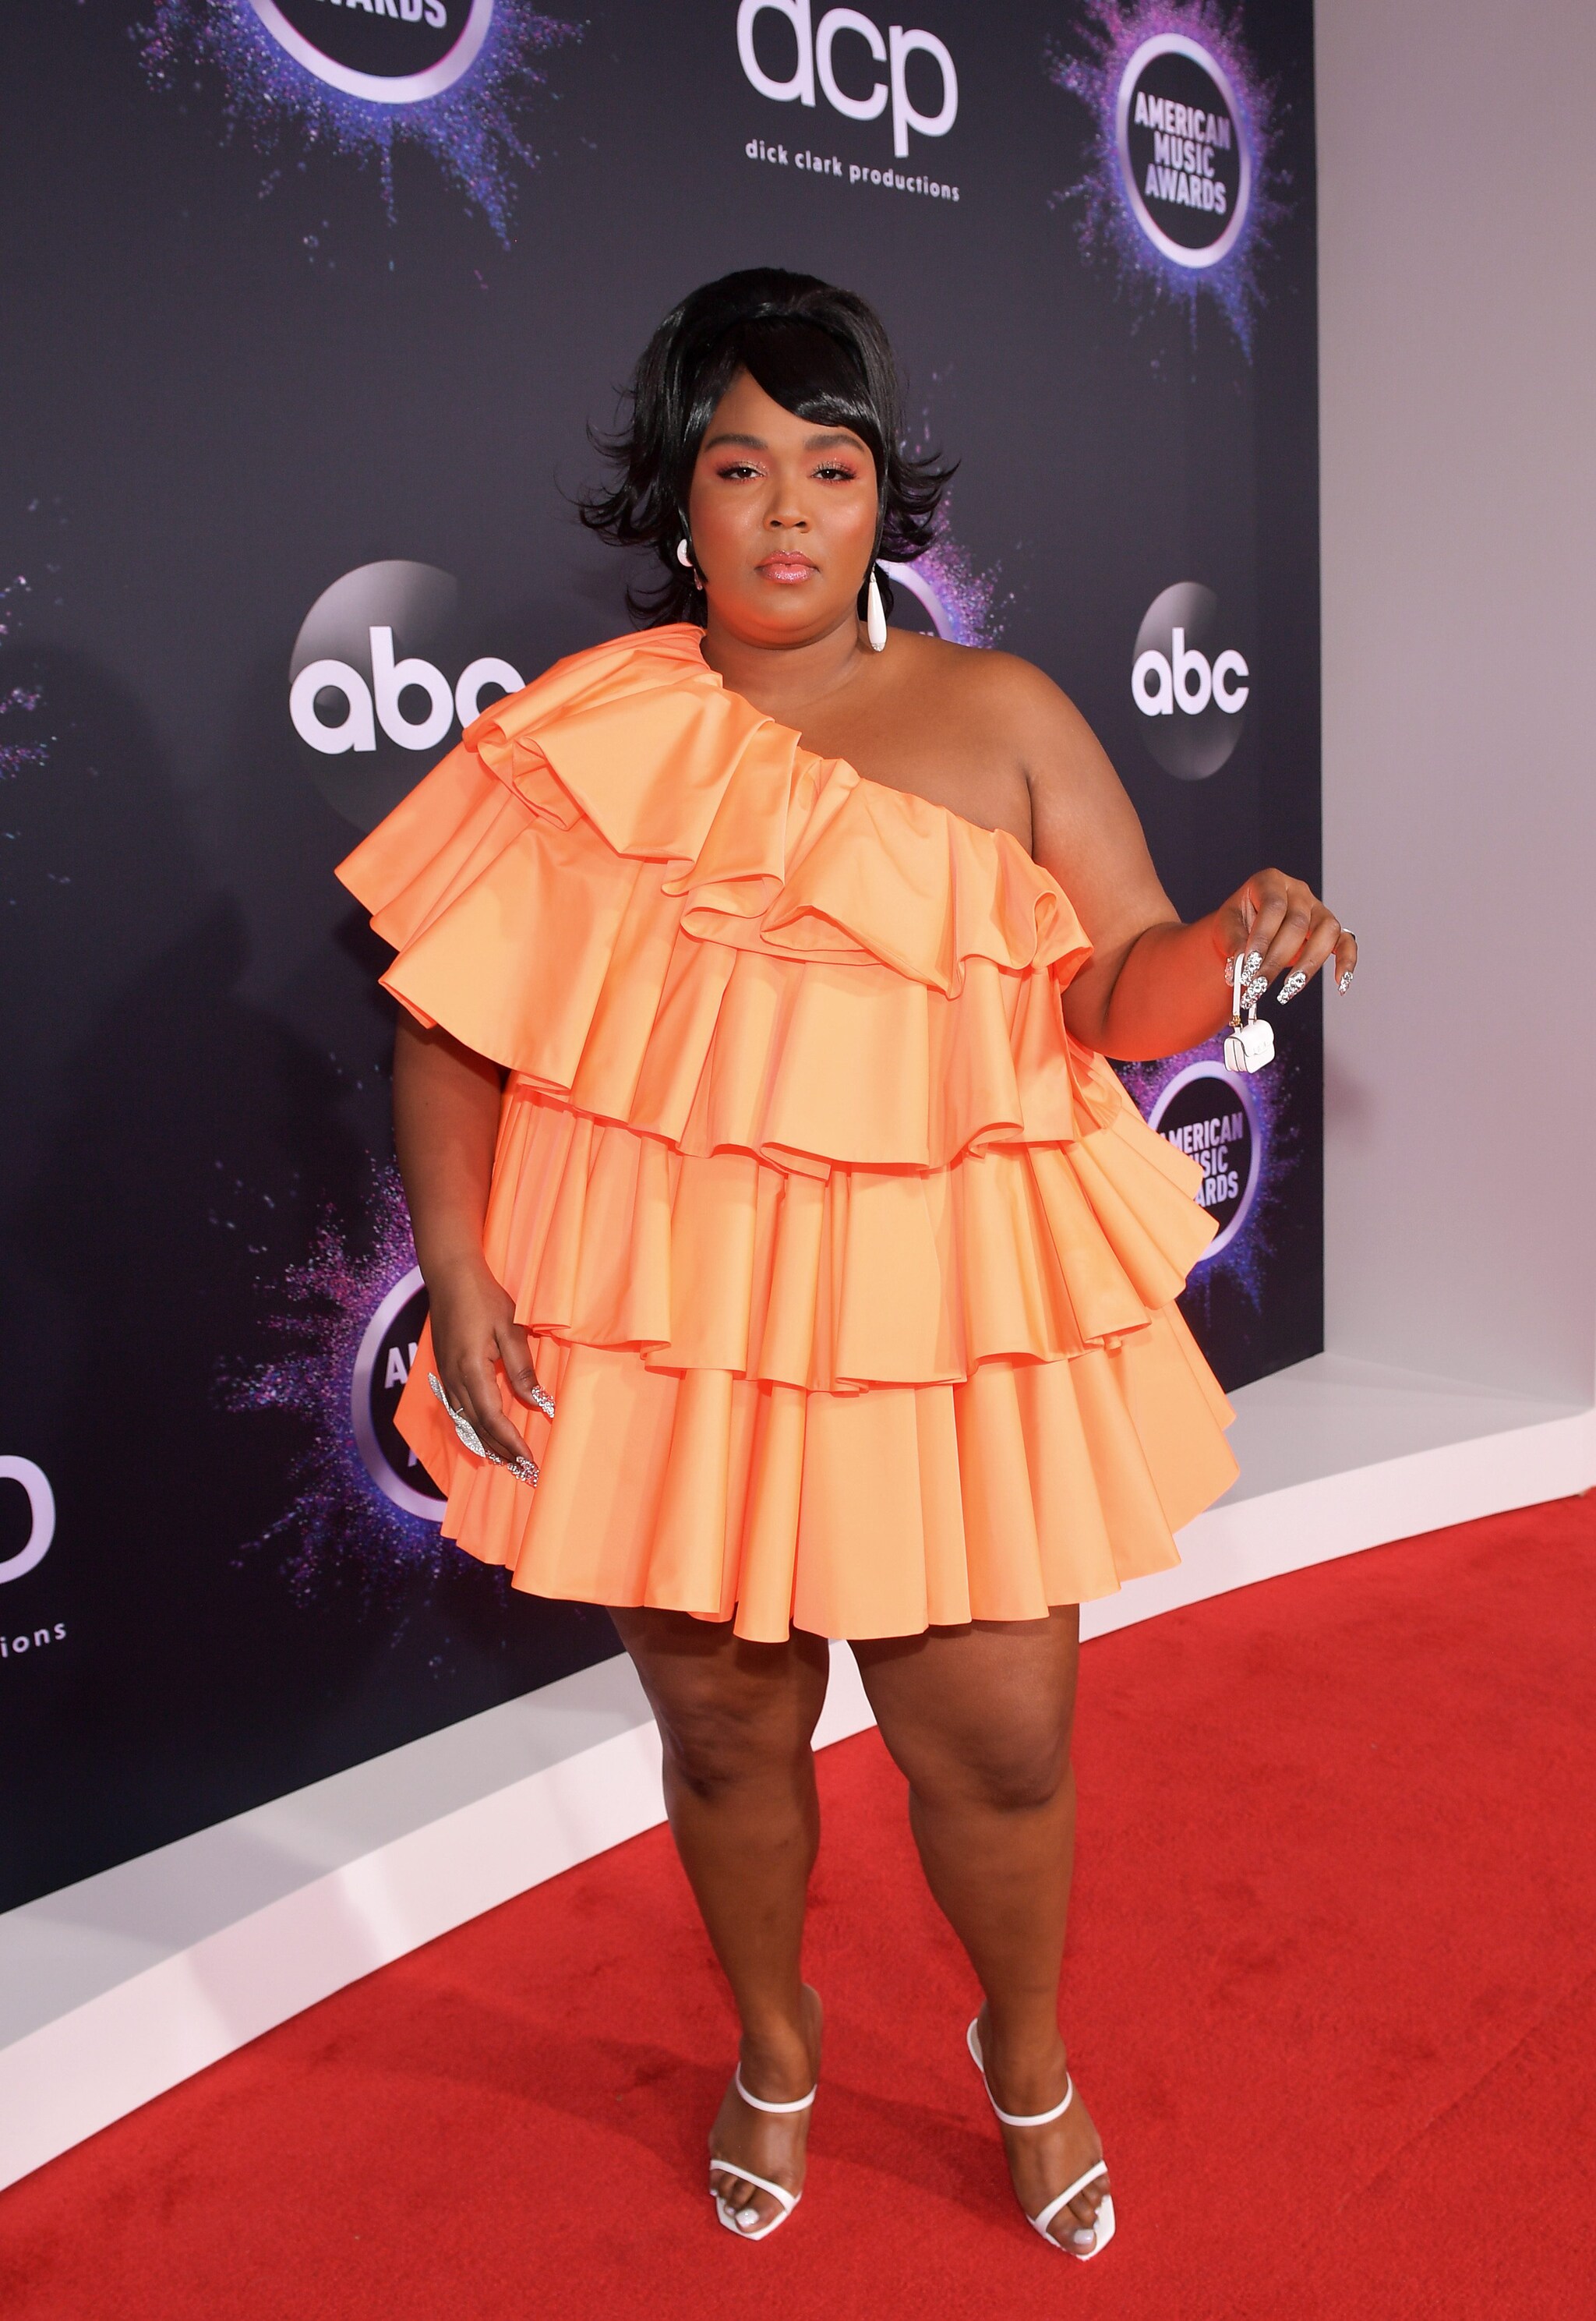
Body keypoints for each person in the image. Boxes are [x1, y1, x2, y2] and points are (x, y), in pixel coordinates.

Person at [337, 268, 1354, 2259]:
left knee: (1003, 1742)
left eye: (832, 463)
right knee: (725, 1729)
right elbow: (452, 1027)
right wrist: (455, 1263)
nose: (788, 510)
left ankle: (1025, 2053)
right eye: (740, 466)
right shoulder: (581, 736)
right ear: (677, 495)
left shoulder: (1003, 714)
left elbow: (1112, 990)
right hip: (673, 1328)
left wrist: (1230, 942)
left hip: (932, 1328)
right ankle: (776, 2045)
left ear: (888, 493)